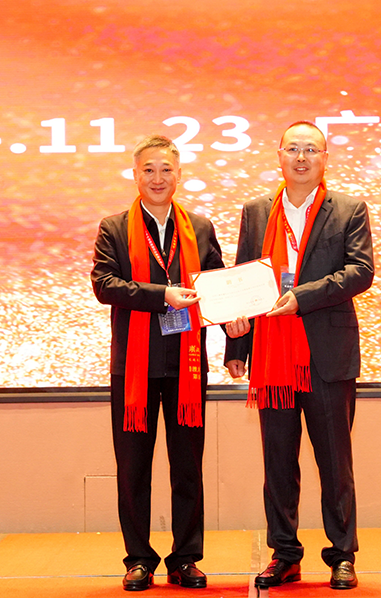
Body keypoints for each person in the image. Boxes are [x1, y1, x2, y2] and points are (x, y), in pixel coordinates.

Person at [224, 121, 374, 590]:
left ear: (325, 158)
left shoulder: (348, 209)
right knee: (278, 465)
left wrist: (301, 297)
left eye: (311, 149)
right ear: (280, 156)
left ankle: (342, 554)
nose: (302, 157)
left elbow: (360, 271)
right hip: (272, 355)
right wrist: (236, 345)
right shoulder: (256, 211)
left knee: (334, 464)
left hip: (326, 356)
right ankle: (285, 554)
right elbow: (244, 278)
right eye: (293, 149)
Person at [92, 135, 224, 591]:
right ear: (135, 174)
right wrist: (162, 295)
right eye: (148, 169)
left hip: (187, 367)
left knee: (188, 467)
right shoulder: (114, 228)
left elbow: (217, 288)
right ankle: (138, 559)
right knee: (133, 469)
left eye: (166, 169)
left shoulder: (200, 228)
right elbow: (105, 285)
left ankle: (186, 558)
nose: (157, 178)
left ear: (179, 174)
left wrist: (235, 326)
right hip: (134, 368)